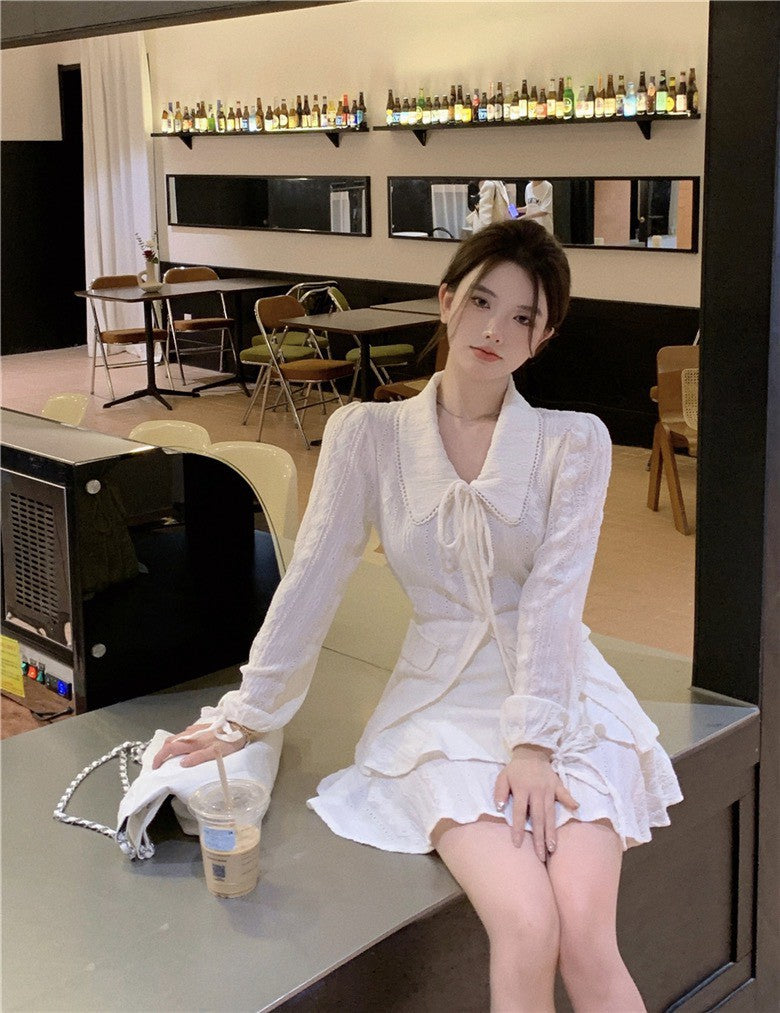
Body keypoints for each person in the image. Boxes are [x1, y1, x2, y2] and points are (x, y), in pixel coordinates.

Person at [154, 219, 682, 1011]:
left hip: (563, 696)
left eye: (523, 317)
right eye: (482, 301)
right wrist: (248, 712)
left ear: (543, 338)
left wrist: (534, 741)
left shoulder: (574, 442)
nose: (495, 330)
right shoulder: (367, 434)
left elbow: (554, 597)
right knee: (527, 922)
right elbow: (314, 577)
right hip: (441, 703)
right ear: (446, 300)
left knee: (585, 932)